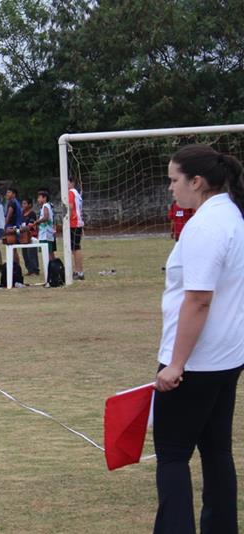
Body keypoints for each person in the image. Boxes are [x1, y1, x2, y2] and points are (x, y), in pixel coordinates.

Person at [153, 144, 244, 534]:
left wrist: (175, 364)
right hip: (225, 357)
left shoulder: (207, 225)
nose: (171, 188)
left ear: (197, 181)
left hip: (197, 362)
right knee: (216, 451)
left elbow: (199, 299)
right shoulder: (231, 217)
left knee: (172, 456)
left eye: (174, 180)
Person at [68, 177, 85, 280]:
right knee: (75, 248)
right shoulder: (77, 193)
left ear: (72, 183)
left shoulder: (71, 192)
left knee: (75, 248)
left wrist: (66, 220)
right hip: (78, 222)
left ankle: (79, 272)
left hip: (73, 223)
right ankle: (78, 271)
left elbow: (70, 207)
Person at [32, 190, 56, 258]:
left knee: (47, 253)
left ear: (44, 198)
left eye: (39, 197)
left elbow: (46, 217)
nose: (38, 199)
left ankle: (49, 267)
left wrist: (37, 222)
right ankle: (53, 267)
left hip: (45, 234)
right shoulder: (48, 205)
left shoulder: (45, 205)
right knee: (50, 252)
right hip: (48, 233)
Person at [21, 198, 39, 276]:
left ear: (30, 205)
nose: (23, 205)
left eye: (25, 203)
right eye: (23, 203)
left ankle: (35, 270)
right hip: (23, 237)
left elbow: (31, 225)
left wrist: (23, 228)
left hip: (32, 236)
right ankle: (29, 269)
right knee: (25, 253)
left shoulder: (32, 214)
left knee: (31, 253)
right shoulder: (22, 214)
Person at [5, 187, 24, 264]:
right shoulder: (17, 202)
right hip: (17, 227)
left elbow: (8, 216)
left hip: (12, 228)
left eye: (9, 192)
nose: (7, 194)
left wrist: (4, 226)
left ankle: (15, 267)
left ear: (14, 194)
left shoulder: (12, 203)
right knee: (14, 249)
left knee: (12, 249)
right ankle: (17, 267)